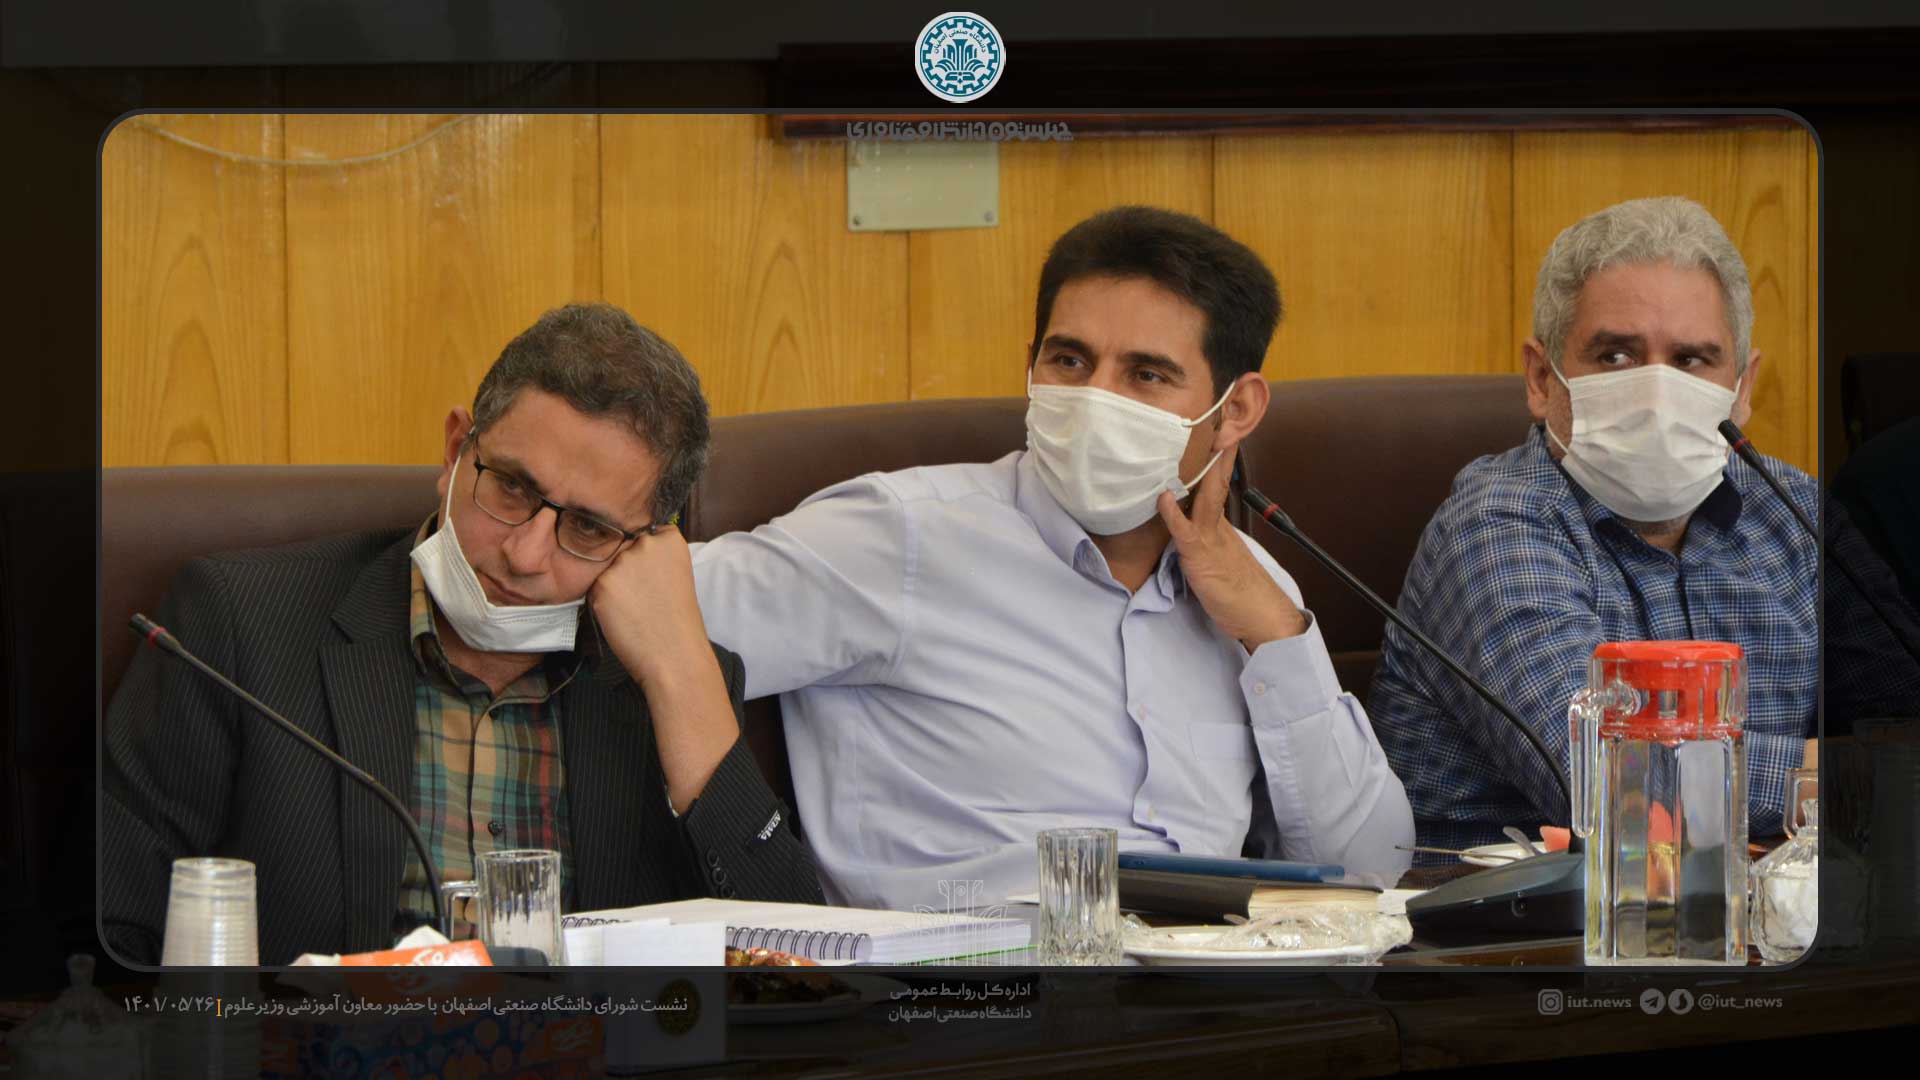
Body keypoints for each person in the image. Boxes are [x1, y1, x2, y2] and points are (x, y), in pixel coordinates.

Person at [684, 206, 1413, 910]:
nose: (1095, 399)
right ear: (1030, 368)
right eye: (1070, 360)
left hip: (1206, 978)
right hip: (974, 976)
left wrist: (1276, 638)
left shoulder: (1252, 592)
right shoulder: (900, 536)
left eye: (1146, 374)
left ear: (1236, 411)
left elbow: (1372, 869)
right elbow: (648, 611)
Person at [102, 303, 822, 965]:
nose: (525, 554)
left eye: (588, 528)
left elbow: (800, 965)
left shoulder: (675, 686)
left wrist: (680, 676)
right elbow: (114, 937)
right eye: (511, 486)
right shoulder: (240, 624)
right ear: (455, 450)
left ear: (645, 548)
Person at [1368, 196, 1819, 856]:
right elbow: (1612, 780)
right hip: (1508, 914)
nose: (1657, 392)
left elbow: (1891, 716)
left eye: (1691, 360)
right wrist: (1835, 781)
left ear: (1742, 388)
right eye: (1615, 356)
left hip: (1753, 901)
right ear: (1540, 378)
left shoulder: (1794, 511)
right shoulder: (1494, 525)